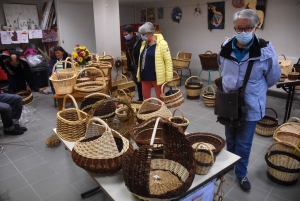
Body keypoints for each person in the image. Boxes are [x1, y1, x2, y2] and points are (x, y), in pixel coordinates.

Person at [218, 9, 280, 192]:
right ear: (234, 28)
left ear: (255, 27)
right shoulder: (226, 45)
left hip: (250, 105)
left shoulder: (265, 50)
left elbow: (273, 77)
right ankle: (230, 162)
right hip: (229, 102)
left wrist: (254, 91)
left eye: (248, 28)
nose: (243, 32)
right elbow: (221, 67)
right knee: (230, 137)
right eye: (239, 28)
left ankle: (241, 173)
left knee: (244, 142)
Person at [137, 22, 172, 100]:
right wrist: (138, 75)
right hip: (145, 76)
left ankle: (161, 112)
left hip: (157, 77)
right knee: (146, 98)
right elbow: (140, 61)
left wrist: (168, 78)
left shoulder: (162, 44)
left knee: (160, 98)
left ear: (150, 33)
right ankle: (148, 112)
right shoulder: (143, 44)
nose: (141, 36)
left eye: (143, 34)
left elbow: (168, 61)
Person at [122, 25, 143, 101]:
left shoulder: (140, 41)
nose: (125, 36)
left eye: (126, 34)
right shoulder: (127, 44)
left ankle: (143, 99)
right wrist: (129, 68)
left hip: (141, 65)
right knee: (138, 83)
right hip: (134, 66)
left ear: (131, 33)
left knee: (142, 83)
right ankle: (140, 99)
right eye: (124, 35)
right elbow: (128, 56)